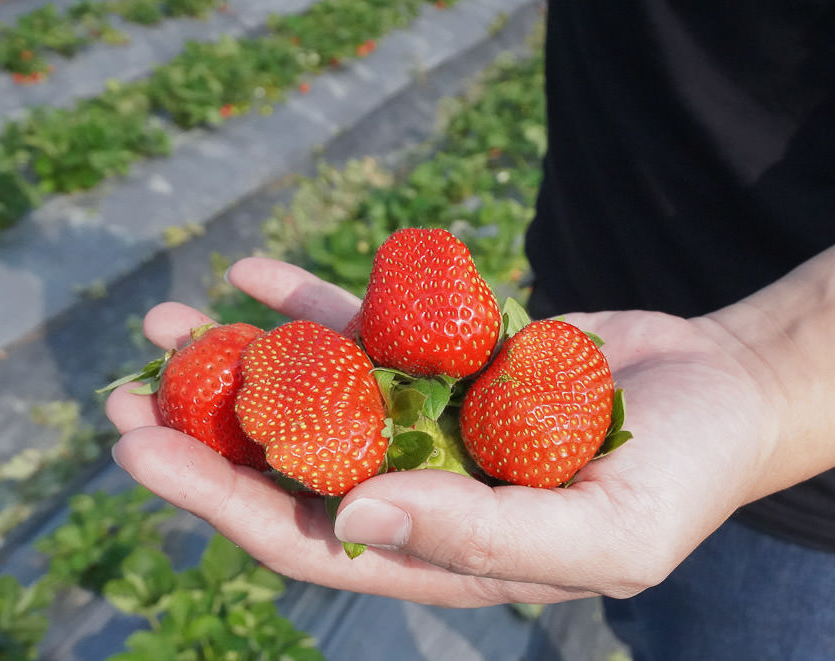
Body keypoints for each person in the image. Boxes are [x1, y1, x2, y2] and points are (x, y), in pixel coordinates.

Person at [106, 2, 835, 659]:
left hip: (808, 471)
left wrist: (772, 380)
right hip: (596, 276)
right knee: (645, 620)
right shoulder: (521, 360)